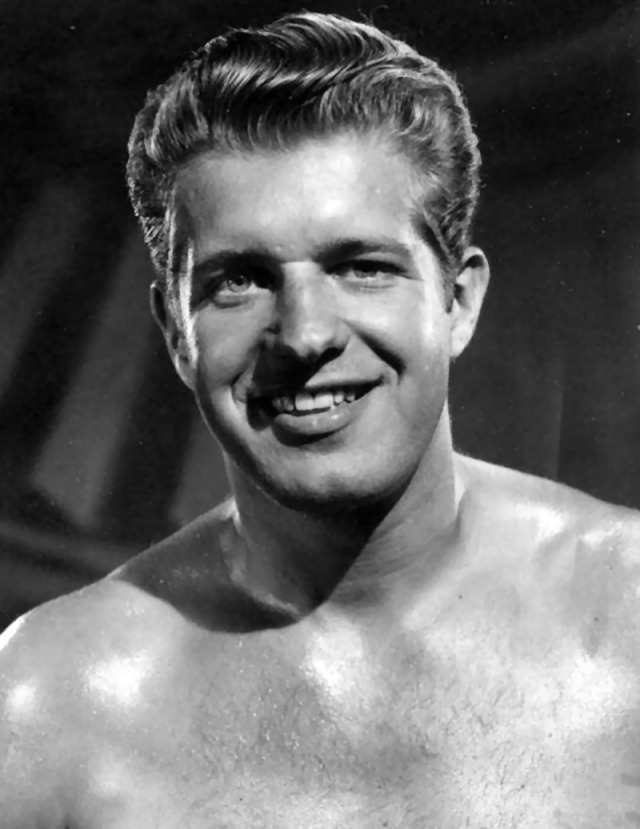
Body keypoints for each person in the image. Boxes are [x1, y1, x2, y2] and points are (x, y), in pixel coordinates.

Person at [1, 11, 640, 828]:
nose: (305, 334)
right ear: (175, 332)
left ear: (458, 300)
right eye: (240, 280)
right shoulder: (47, 700)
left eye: (361, 267)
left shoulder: (627, 615)